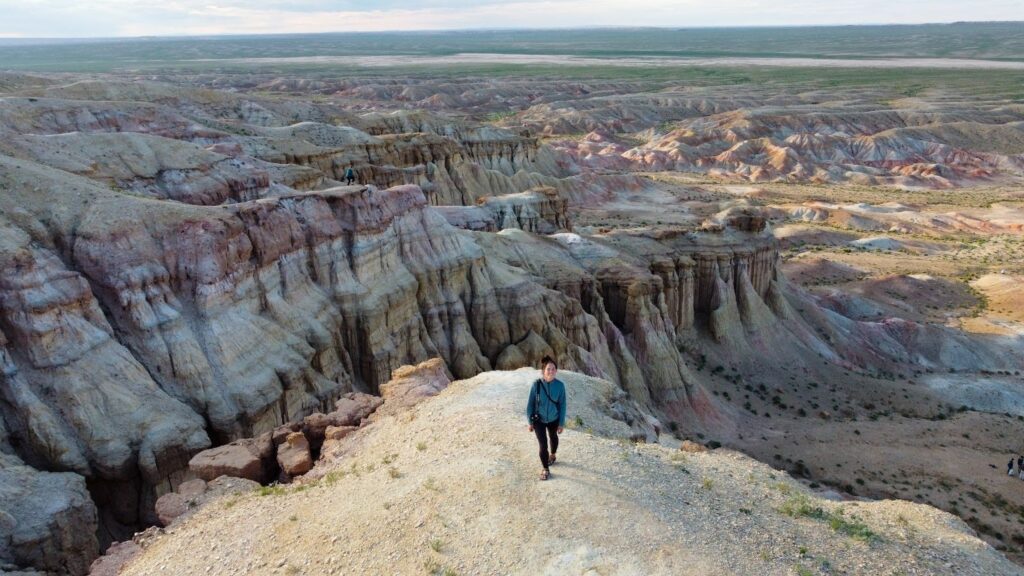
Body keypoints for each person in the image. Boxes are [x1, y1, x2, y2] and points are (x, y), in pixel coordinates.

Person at [526, 355, 566, 481]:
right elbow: (530, 404)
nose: (551, 371)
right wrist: (530, 422)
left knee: (553, 437)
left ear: (556, 371)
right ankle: (545, 469)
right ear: (543, 371)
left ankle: (553, 455)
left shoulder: (560, 386)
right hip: (539, 420)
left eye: (553, 369)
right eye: (548, 369)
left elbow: (562, 405)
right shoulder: (536, 385)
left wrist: (561, 423)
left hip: (554, 418)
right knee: (543, 445)